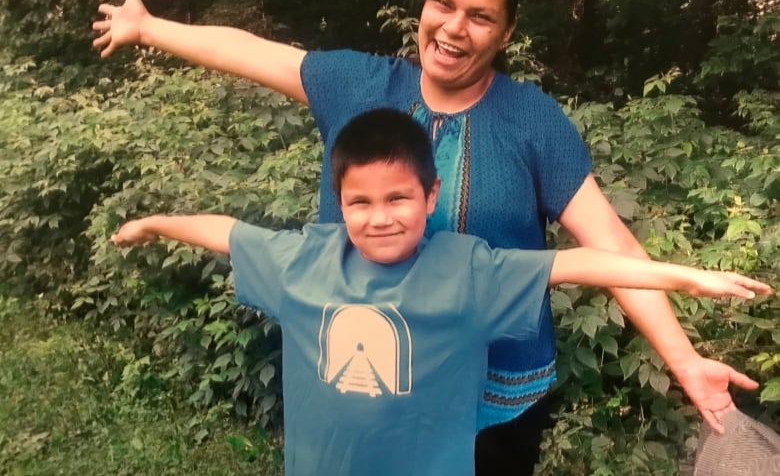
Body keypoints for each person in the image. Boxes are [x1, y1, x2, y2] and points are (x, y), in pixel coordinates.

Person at [93, 0, 765, 474]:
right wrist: (150, 28)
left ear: (504, 33)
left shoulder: (531, 121)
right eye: (444, 4)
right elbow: (248, 51)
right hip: (368, 384)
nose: (454, 28)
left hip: (495, 400)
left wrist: (684, 359)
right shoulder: (358, 85)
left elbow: (609, 244)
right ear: (422, 5)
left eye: (480, 16)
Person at [111, 109, 770, 476]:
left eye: (399, 196)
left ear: (429, 196)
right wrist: (155, 223)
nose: (381, 214)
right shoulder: (304, 258)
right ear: (338, 204)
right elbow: (227, 231)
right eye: (360, 201)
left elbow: (582, 265)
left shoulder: (468, 269)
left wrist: (687, 276)